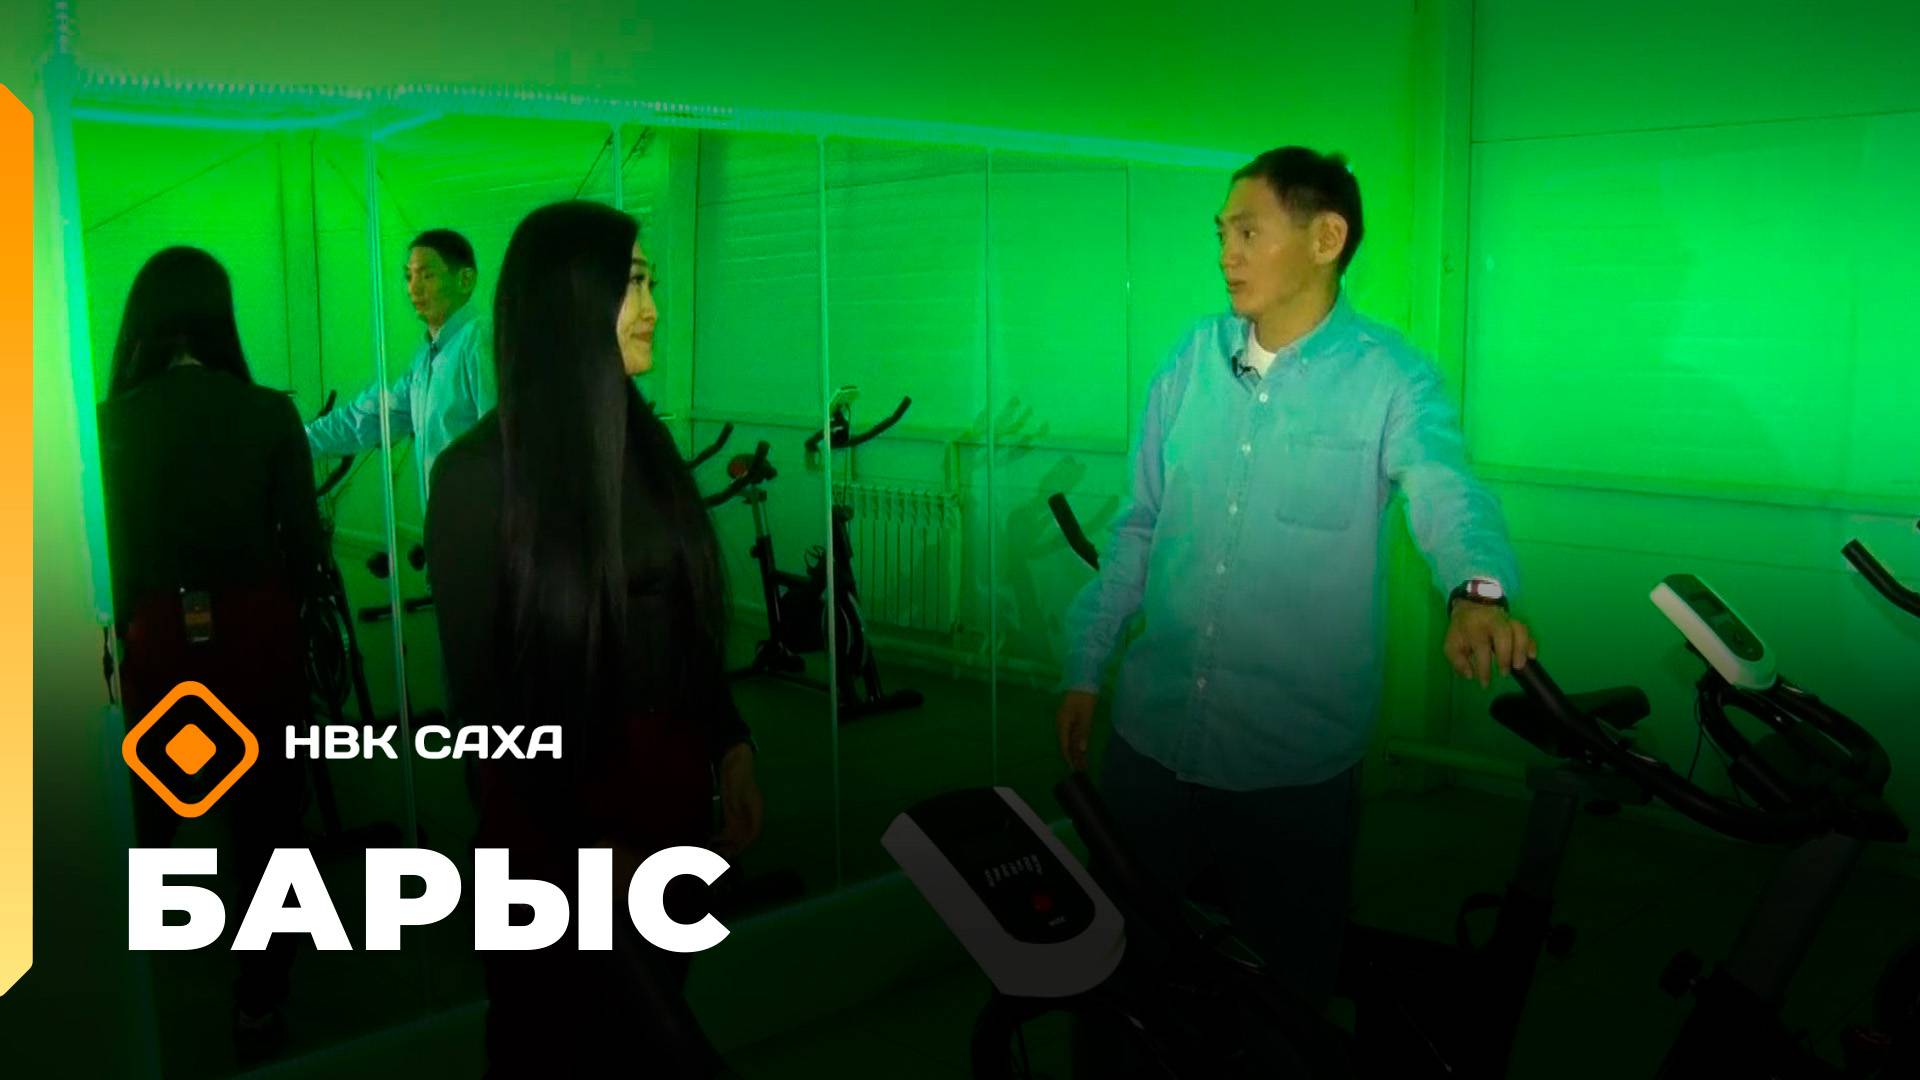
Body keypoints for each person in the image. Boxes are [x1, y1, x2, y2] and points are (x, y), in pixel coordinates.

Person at [1056, 146, 1537, 1012]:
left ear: (1325, 238)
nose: (1225, 254)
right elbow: (1138, 525)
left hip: (1293, 768)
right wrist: (1086, 663)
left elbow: (1445, 487)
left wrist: (1477, 589)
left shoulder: (1392, 379)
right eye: (1221, 234)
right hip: (1153, 741)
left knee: (1285, 998)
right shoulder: (1190, 361)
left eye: (1247, 232)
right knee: (1123, 975)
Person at [426, 200, 763, 1077]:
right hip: (551, 827)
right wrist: (578, 846)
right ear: (570, 298)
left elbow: (686, 625)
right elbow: (483, 710)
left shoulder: (647, 448)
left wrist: (730, 744)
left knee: (656, 1009)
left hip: (667, 800)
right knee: (554, 1038)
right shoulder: (476, 476)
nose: (654, 307)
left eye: (652, 283)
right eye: (633, 284)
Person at [97, 245, 322, 1064]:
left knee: (152, 801)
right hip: (258, 635)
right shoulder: (268, 413)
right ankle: (259, 998)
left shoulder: (107, 422)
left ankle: (143, 968)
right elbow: (306, 552)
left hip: (156, 637)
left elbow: (104, 557)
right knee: (267, 818)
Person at [305, 228, 494, 506]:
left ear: (465, 279)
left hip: (485, 523)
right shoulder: (426, 359)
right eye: (409, 276)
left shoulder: (480, 341)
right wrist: (296, 439)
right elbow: (369, 418)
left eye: (427, 275)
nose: (413, 288)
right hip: (446, 522)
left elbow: (507, 443)